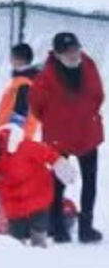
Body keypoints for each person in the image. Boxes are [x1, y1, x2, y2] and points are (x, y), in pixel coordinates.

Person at [31, 32, 103, 243]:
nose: (73, 55)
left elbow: (98, 94)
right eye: (68, 52)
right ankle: (57, 227)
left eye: (75, 50)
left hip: (87, 134)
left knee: (90, 182)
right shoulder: (45, 76)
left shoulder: (88, 65)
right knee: (56, 183)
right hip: (58, 137)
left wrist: (88, 115)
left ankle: (86, 228)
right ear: (57, 54)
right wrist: (57, 121)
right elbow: (36, 106)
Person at [0, 127, 77, 247]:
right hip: (13, 203)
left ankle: (40, 253)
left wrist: (60, 164)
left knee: (39, 230)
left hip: (37, 193)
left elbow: (47, 153)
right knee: (15, 238)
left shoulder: (21, 147)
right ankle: (20, 260)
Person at [0, 43, 41, 139]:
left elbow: (20, 114)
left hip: (14, 139)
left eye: (11, 57)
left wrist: (10, 136)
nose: (10, 60)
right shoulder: (24, 81)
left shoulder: (23, 84)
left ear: (18, 60)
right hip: (14, 136)